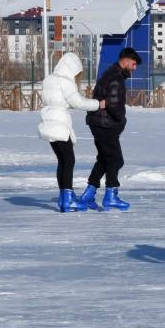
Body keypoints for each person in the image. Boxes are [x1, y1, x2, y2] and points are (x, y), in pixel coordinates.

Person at [37, 53, 105, 212]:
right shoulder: (65, 81)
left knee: (62, 160)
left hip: (48, 122)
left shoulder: (49, 79)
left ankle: (64, 197)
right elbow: (78, 102)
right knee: (69, 160)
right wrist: (98, 104)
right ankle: (67, 199)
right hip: (59, 124)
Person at [81, 47, 141, 211]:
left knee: (104, 159)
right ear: (126, 60)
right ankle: (111, 195)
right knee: (115, 160)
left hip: (99, 123)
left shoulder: (111, 73)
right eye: (134, 64)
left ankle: (88, 194)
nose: (135, 69)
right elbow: (114, 105)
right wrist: (122, 120)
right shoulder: (116, 78)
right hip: (105, 124)